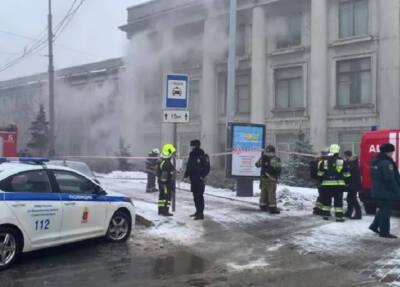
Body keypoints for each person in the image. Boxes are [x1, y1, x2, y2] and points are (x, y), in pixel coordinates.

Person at [369, 143, 400, 238]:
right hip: (386, 191)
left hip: (378, 189)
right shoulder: (386, 163)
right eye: (392, 151)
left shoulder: (376, 161)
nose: (392, 153)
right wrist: (397, 190)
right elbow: (389, 178)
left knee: (382, 209)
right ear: (388, 152)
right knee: (385, 212)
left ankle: (374, 226)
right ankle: (384, 232)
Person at [317, 144, 351, 222]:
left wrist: (321, 181)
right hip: (338, 186)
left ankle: (326, 215)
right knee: (338, 201)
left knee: (327, 200)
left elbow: (320, 174)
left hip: (326, 185)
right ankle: (339, 217)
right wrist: (347, 182)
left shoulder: (324, 161)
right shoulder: (342, 161)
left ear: (330, 151)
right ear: (338, 151)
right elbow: (346, 174)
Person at [184, 139, 210, 220]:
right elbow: (189, 166)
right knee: (195, 196)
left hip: (199, 179)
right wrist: (186, 174)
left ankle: (200, 213)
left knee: (199, 196)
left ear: (195, 145)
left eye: (192, 145)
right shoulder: (192, 155)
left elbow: (207, 168)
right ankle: (197, 211)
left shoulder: (202, 155)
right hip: (193, 178)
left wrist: (202, 176)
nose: (191, 147)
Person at [255, 145, 282, 214]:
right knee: (271, 193)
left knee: (263, 193)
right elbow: (278, 169)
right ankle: (272, 208)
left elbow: (257, 164)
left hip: (263, 178)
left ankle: (263, 206)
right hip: (271, 179)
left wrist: (261, 158)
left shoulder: (264, 158)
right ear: (274, 152)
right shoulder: (276, 159)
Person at [157, 144, 176, 216]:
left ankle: (161, 210)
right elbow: (165, 173)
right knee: (167, 196)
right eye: (172, 153)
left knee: (162, 196)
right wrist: (166, 182)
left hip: (161, 182)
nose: (172, 155)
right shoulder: (166, 162)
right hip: (165, 183)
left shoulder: (162, 160)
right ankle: (165, 211)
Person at [343, 150, 362, 219]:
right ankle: (349, 212)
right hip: (352, 184)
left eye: (345, 155)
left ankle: (358, 214)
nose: (344, 157)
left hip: (353, 184)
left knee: (353, 199)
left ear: (347, 155)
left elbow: (350, 173)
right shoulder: (351, 162)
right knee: (349, 199)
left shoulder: (353, 163)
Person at [311, 148, 329, 216]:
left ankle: (317, 209)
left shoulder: (318, 161)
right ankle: (318, 210)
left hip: (319, 181)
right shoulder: (322, 162)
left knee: (321, 196)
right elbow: (324, 171)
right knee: (323, 196)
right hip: (322, 181)